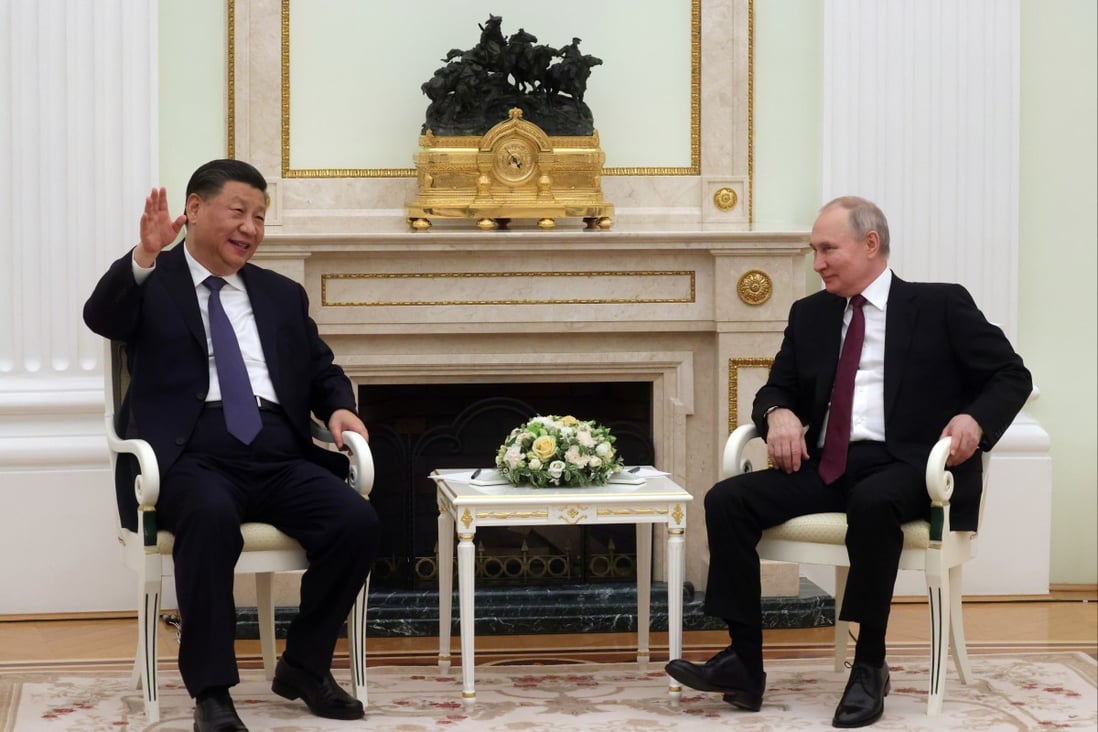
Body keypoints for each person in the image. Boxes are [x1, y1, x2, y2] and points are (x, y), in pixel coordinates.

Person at [665, 196, 1032, 728]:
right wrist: (779, 413)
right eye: (814, 251)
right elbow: (775, 387)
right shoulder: (810, 314)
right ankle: (743, 662)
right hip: (829, 464)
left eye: (827, 249)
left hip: (910, 466)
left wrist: (974, 421)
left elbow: (1010, 375)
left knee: (874, 500)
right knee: (729, 499)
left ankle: (868, 665)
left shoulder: (940, 306)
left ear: (870, 244)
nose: (817, 263)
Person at [83, 159, 380, 731]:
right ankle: (212, 692)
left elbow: (321, 369)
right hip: (189, 456)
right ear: (194, 210)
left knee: (356, 522)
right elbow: (102, 317)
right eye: (239, 211)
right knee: (212, 517)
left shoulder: (279, 294)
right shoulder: (154, 283)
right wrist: (143, 257)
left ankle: (303, 666)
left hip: (279, 452)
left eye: (260, 217)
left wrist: (340, 406)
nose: (251, 227)